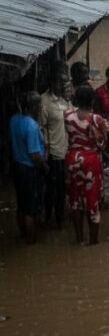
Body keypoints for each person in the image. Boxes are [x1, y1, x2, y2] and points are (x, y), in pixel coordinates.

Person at [65, 85, 109, 245]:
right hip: (91, 160)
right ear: (92, 100)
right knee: (92, 200)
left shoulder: (68, 116)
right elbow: (103, 144)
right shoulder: (97, 119)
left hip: (72, 159)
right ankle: (93, 242)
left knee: (75, 199)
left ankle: (78, 239)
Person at [11, 92, 48, 244]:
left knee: (21, 204)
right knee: (31, 208)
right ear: (33, 106)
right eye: (39, 104)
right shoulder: (31, 126)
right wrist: (45, 167)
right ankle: (31, 241)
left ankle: (22, 235)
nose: (41, 107)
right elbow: (35, 155)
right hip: (30, 169)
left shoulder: (14, 120)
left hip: (17, 166)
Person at [39, 67, 72, 228]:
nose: (65, 85)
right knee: (53, 189)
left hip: (67, 150)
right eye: (61, 82)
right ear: (53, 83)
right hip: (54, 153)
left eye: (66, 81)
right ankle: (51, 220)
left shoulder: (65, 100)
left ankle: (60, 221)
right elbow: (41, 128)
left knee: (63, 187)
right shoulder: (44, 101)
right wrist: (47, 151)